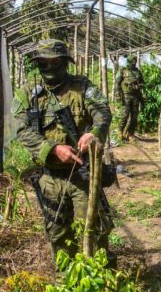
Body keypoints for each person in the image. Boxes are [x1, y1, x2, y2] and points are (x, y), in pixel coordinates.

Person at [12, 39, 113, 262]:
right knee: (58, 235)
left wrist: (93, 133)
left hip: (82, 174)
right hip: (49, 178)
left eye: (55, 61)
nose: (49, 67)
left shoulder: (82, 87)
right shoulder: (27, 94)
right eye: (43, 62)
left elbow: (103, 112)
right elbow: (20, 129)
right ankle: (64, 282)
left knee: (91, 230)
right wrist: (52, 149)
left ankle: (99, 283)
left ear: (64, 62)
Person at [114, 54, 145, 141]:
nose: (134, 63)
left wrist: (138, 86)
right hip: (126, 96)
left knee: (134, 117)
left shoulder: (138, 72)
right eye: (132, 61)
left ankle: (130, 133)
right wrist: (117, 94)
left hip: (135, 96)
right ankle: (120, 132)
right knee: (125, 115)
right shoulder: (122, 71)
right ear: (129, 61)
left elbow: (143, 83)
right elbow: (117, 83)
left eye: (135, 61)